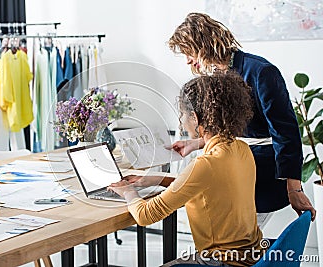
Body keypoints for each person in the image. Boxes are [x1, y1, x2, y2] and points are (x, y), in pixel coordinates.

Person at [168, 12, 315, 220]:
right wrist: (196, 144)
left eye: (188, 52)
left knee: (244, 239)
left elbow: (286, 133)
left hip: (264, 170)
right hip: (234, 164)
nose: (187, 61)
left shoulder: (261, 72)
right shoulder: (216, 77)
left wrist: (295, 189)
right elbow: (230, 130)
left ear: (203, 44)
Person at [109, 72, 264, 266]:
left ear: (195, 118)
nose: (181, 120)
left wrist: (127, 191)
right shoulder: (242, 149)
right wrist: (154, 180)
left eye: (182, 114)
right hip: (253, 256)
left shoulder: (205, 165)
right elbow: (205, 187)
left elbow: (145, 215)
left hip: (223, 262)